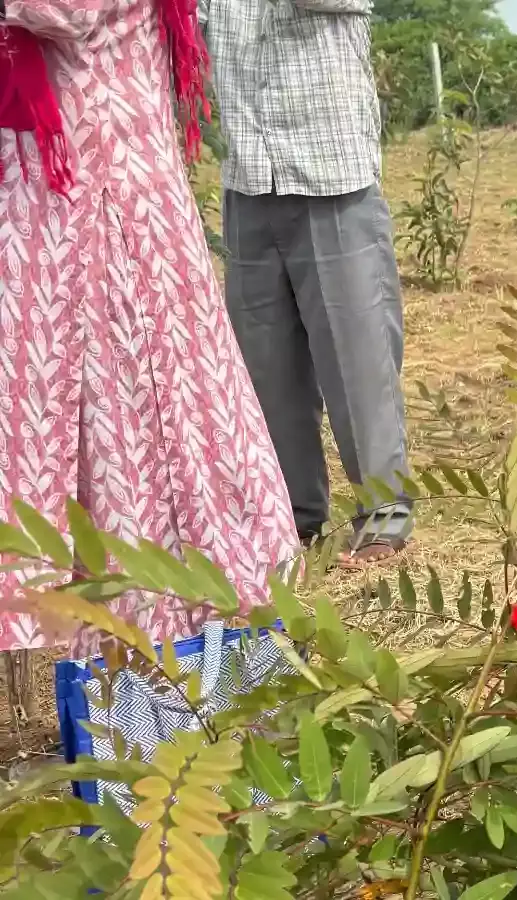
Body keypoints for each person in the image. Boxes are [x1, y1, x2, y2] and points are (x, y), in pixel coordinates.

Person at [0, 0, 298, 646]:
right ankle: (135, 679)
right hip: (69, 228)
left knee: (145, 447)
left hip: (114, 229)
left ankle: (178, 670)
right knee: (105, 457)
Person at [202, 0, 412, 565]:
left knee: (358, 352)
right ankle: (289, 517)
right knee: (264, 363)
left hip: (329, 162)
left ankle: (384, 513)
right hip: (247, 169)